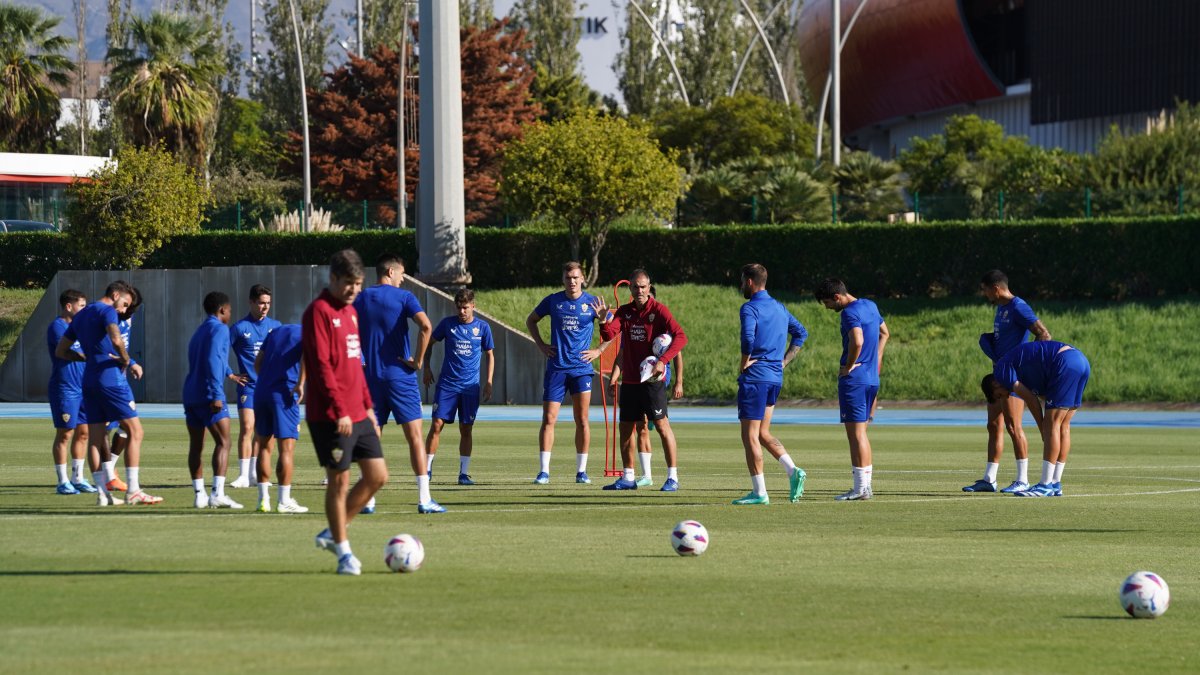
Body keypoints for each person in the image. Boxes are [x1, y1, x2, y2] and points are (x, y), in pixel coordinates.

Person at [305, 249, 388, 576]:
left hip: (358, 411)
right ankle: (343, 552)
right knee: (338, 484)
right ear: (333, 279)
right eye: (348, 283)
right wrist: (340, 410)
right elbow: (322, 366)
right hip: (330, 415)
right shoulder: (318, 312)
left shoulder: (352, 313)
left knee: (378, 476)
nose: (353, 290)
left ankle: (333, 530)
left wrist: (367, 406)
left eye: (358, 284)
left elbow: (356, 365)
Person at [56, 280, 162, 506]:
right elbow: (116, 339)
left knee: (95, 438)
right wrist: (126, 359)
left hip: (90, 380)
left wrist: (85, 357)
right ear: (115, 295)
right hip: (110, 380)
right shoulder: (107, 311)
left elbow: (61, 351)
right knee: (135, 431)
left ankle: (103, 495)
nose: (124, 310)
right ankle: (133, 490)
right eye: (124, 304)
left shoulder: (82, 315)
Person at [353, 253, 440, 514]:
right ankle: (424, 499)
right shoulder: (404, 298)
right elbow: (426, 326)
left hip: (370, 378)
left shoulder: (361, 297)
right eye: (402, 274)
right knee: (414, 437)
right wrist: (419, 361)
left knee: (372, 437)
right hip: (400, 375)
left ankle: (368, 498)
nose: (403, 280)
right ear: (390, 271)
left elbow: (345, 329)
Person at [964, 270, 1053, 493]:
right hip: (998, 375)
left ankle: (1022, 479)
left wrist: (1029, 364)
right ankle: (989, 479)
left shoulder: (1018, 306)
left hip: (1013, 376)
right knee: (993, 425)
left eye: (985, 290)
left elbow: (1043, 334)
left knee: (1014, 426)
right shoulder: (1001, 308)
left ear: (995, 288)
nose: (984, 294)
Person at [599, 269, 687, 491]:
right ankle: (628, 477)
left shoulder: (659, 311)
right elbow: (610, 335)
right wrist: (602, 321)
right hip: (629, 382)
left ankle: (673, 477)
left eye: (643, 286)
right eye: (636, 287)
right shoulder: (625, 311)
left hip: (651, 382)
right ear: (630, 289)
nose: (639, 290)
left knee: (661, 426)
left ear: (649, 287)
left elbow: (681, 337)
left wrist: (662, 361)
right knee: (626, 428)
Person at [525, 262, 610, 484]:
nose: (571, 281)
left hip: (581, 370)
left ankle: (581, 471)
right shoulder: (553, 301)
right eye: (567, 278)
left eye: (575, 277)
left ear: (583, 279)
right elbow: (531, 320)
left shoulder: (593, 302)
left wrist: (599, 349)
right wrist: (541, 345)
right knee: (549, 419)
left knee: (582, 420)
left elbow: (612, 331)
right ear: (562, 280)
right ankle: (544, 471)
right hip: (557, 368)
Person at [731, 264, 808, 505]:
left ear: (751, 282)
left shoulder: (750, 308)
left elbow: (748, 338)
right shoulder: (779, 308)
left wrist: (744, 363)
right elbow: (801, 333)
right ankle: (792, 470)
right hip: (775, 377)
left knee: (750, 436)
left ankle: (759, 492)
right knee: (763, 432)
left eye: (743, 281)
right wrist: (784, 361)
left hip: (755, 378)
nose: (741, 285)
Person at [984, 340, 1091, 497]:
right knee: (1063, 425)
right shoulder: (1025, 372)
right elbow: (1042, 395)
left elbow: (1031, 400)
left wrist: (1043, 428)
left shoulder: (1001, 370)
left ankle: (1045, 484)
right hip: (1080, 361)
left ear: (994, 383)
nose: (1006, 396)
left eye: (1000, 394)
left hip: (1064, 362)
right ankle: (1055, 483)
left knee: (1052, 424)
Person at [815, 277, 889, 501]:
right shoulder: (870, 305)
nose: (828, 308)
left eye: (827, 303)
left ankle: (860, 489)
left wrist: (848, 367)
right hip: (871, 378)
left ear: (837, 297)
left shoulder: (849, 313)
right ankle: (865, 486)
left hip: (855, 380)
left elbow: (857, 341)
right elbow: (885, 333)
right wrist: (877, 358)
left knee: (856, 435)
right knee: (862, 434)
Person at [182, 292, 249, 509]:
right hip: (208, 393)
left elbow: (208, 356)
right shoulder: (221, 328)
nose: (230, 314)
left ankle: (199, 495)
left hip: (191, 393)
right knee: (224, 442)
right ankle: (217, 494)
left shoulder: (200, 330)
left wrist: (229, 373)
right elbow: (212, 359)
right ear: (222, 310)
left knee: (196, 445)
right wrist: (216, 393)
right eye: (229, 310)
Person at [423, 289, 494, 485]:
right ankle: (426, 470)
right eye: (459, 307)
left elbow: (490, 354)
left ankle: (463, 473)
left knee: (466, 428)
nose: (462, 311)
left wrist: (489, 381)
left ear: (473, 306)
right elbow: (429, 343)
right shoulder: (447, 324)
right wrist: (426, 367)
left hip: (470, 387)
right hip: (447, 385)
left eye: (465, 308)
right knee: (437, 425)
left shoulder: (483, 328)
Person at [229, 284, 282, 489]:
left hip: (269, 388)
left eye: (268, 303)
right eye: (261, 303)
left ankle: (255, 474)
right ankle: (243, 475)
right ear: (251, 302)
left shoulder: (276, 326)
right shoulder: (239, 328)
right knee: (248, 427)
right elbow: (219, 349)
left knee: (265, 432)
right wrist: (230, 374)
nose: (265, 307)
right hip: (248, 387)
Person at [252, 323, 309, 513]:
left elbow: (257, 363)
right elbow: (306, 357)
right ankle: (284, 500)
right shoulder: (309, 333)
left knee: (264, 447)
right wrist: (301, 384)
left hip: (261, 392)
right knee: (286, 449)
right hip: (284, 394)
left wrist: (267, 382)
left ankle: (263, 500)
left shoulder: (276, 331)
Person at [46, 289, 97, 495]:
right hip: (65, 387)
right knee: (65, 433)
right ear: (69, 306)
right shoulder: (57, 327)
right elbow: (66, 352)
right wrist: (88, 356)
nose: (84, 310)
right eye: (81, 306)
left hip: (83, 386)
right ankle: (62, 481)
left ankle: (78, 478)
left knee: (84, 433)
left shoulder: (82, 328)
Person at [103, 286, 142, 492]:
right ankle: (101, 474)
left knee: (127, 427)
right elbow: (110, 346)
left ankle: (109, 470)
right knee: (98, 430)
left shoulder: (126, 318)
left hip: (119, 379)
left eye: (133, 307)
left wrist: (129, 362)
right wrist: (131, 361)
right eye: (128, 305)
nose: (129, 310)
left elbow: (122, 346)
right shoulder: (108, 316)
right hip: (107, 380)